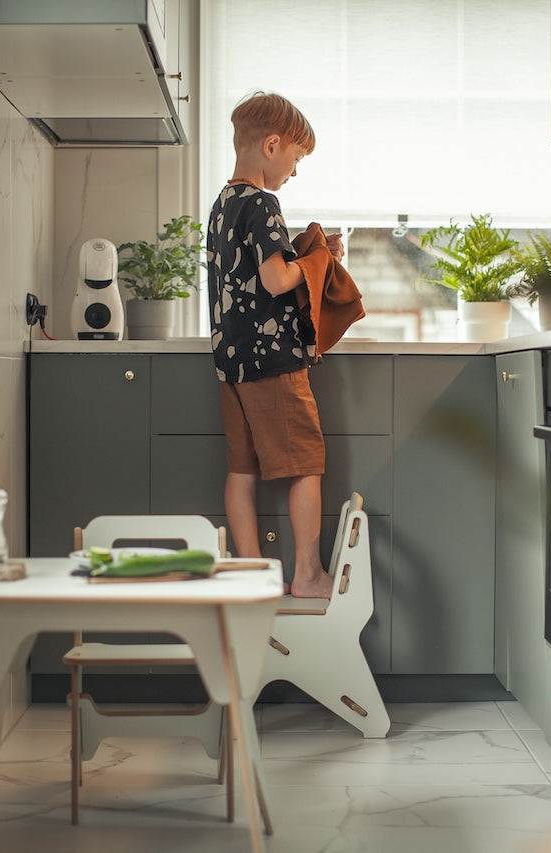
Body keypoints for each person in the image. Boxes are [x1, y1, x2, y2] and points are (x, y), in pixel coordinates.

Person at [206, 91, 344, 600]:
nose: (294, 171)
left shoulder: (222, 204)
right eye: (295, 158)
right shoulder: (264, 202)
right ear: (271, 145)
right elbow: (275, 280)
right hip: (273, 360)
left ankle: (251, 577)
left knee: (241, 469)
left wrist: (311, 253)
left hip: (232, 364)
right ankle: (307, 575)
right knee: (306, 463)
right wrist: (319, 261)